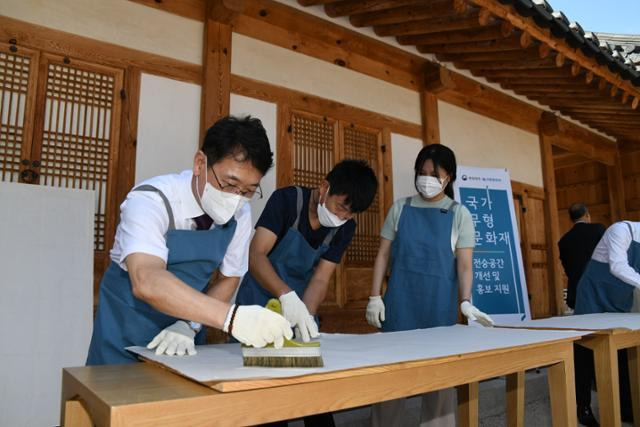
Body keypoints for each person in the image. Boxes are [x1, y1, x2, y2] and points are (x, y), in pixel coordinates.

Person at [86, 116, 292, 365]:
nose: (236, 197)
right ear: (199, 163)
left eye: (248, 190)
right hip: (126, 333)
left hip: (187, 335)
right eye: (229, 183)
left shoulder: (241, 212)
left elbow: (230, 278)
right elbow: (147, 279)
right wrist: (232, 318)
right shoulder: (152, 200)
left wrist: (190, 325)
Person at [236, 159, 377, 427]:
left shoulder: (345, 228)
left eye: (350, 214)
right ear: (324, 188)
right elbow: (256, 255)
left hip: (298, 306)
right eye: (340, 208)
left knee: (313, 391)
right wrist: (285, 295)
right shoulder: (287, 201)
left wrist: (306, 318)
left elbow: (321, 278)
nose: (342, 217)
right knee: (267, 394)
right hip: (258, 302)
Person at [365, 144, 493, 427]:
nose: (426, 178)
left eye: (434, 173)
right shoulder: (401, 207)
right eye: (421, 172)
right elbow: (383, 254)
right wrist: (375, 296)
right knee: (390, 380)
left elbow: (464, 265)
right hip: (399, 306)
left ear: (449, 177)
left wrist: (466, 301)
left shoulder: (459, 214)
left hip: (439, 308)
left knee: (439, 384)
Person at [575, 220, 640, 422]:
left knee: (621, 351)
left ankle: (626, 407)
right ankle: (583, 407)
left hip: (619, 297)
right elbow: (618, 266)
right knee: (584, 348)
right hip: (593, 294)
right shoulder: (621, 230)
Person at [558, 203, 605, 426]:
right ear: (587, 214)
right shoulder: (598, 230)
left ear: (570, 218)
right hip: (601, 294)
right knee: (608, 342)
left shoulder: (564, 241)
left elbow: (569, 270)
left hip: (578, 295)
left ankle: (583, 407)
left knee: (583, 347)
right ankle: (621, 404)